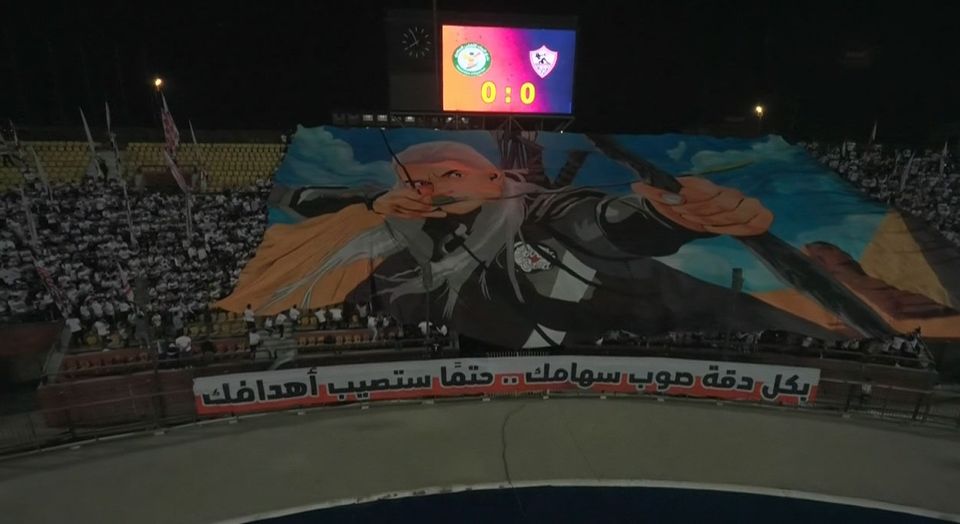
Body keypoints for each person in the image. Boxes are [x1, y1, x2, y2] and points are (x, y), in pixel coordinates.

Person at [218, 140, 840, 349]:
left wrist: (676, 220)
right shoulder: (403, 243)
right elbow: (304, 197)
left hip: (629, 326)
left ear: (495, 178)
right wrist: (377, 203)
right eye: (418, 182)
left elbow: (602, 219)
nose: (433, 190)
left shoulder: (539, 211)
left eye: (450, 174)